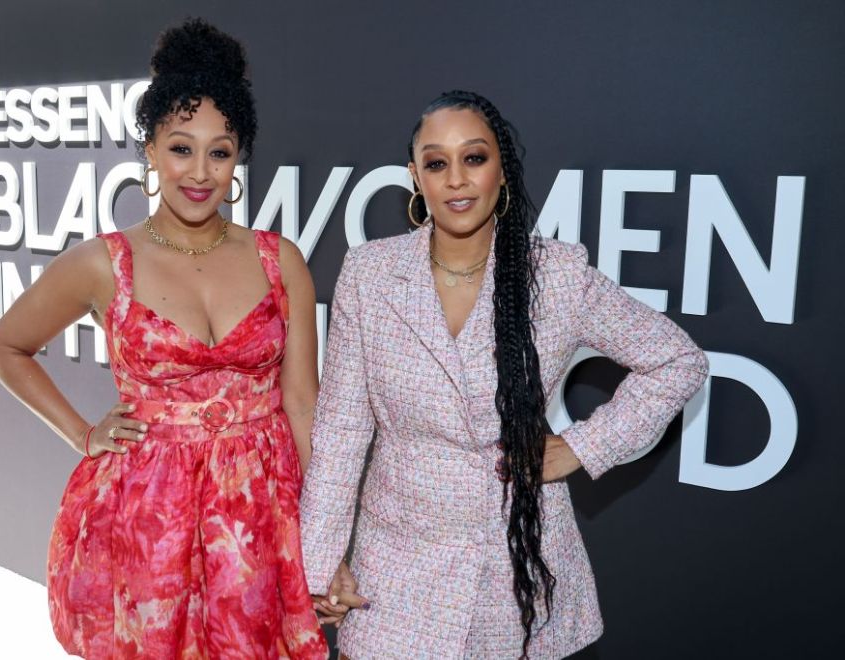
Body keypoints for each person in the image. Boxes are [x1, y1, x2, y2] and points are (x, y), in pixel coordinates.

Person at [298, 90, 709, 659]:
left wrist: (582, 446)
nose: (456, 180)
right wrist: (320, 562)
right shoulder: (371, 274)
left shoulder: (556, 275)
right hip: (395, 564)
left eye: (474, 158)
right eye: (437, 163)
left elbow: (678, 360)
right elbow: (341, 432)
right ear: (415, 178)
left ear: (502, 169)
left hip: (516, 563)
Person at [0, 18, 327, 660]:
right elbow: (5, 347)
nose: (200, 172)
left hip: (258, 511)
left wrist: (327, 533)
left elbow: (303, 404)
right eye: (180, 148)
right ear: (149, 150)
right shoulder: (102, 264)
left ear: (239, 158)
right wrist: (83, 435)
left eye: (220, 152)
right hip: (150, 514)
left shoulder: (280, 260)